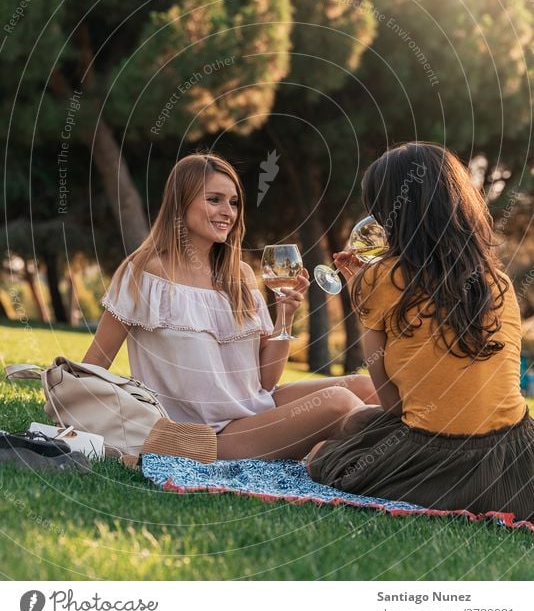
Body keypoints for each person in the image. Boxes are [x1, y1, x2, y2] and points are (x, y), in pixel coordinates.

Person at [83, 153, 379, 461]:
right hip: (209, 436)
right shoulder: (145, 274)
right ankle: (379, 458)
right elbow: (93, 367)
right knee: (340, 402)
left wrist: (285, 317)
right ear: (180, 203)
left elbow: (265, 381)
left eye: (234, 202)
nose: (228, 212)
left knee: (364, 386)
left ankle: (368, 453)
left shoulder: (241, 276)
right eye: (214, 200)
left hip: (253, 409)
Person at [307, 142, 534, 523]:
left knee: (322, 457)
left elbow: (395, 404)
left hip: (435, 462)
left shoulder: (381, 277)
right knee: (359, 423)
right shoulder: (497, 281)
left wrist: (364, 302)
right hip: (518, 463)